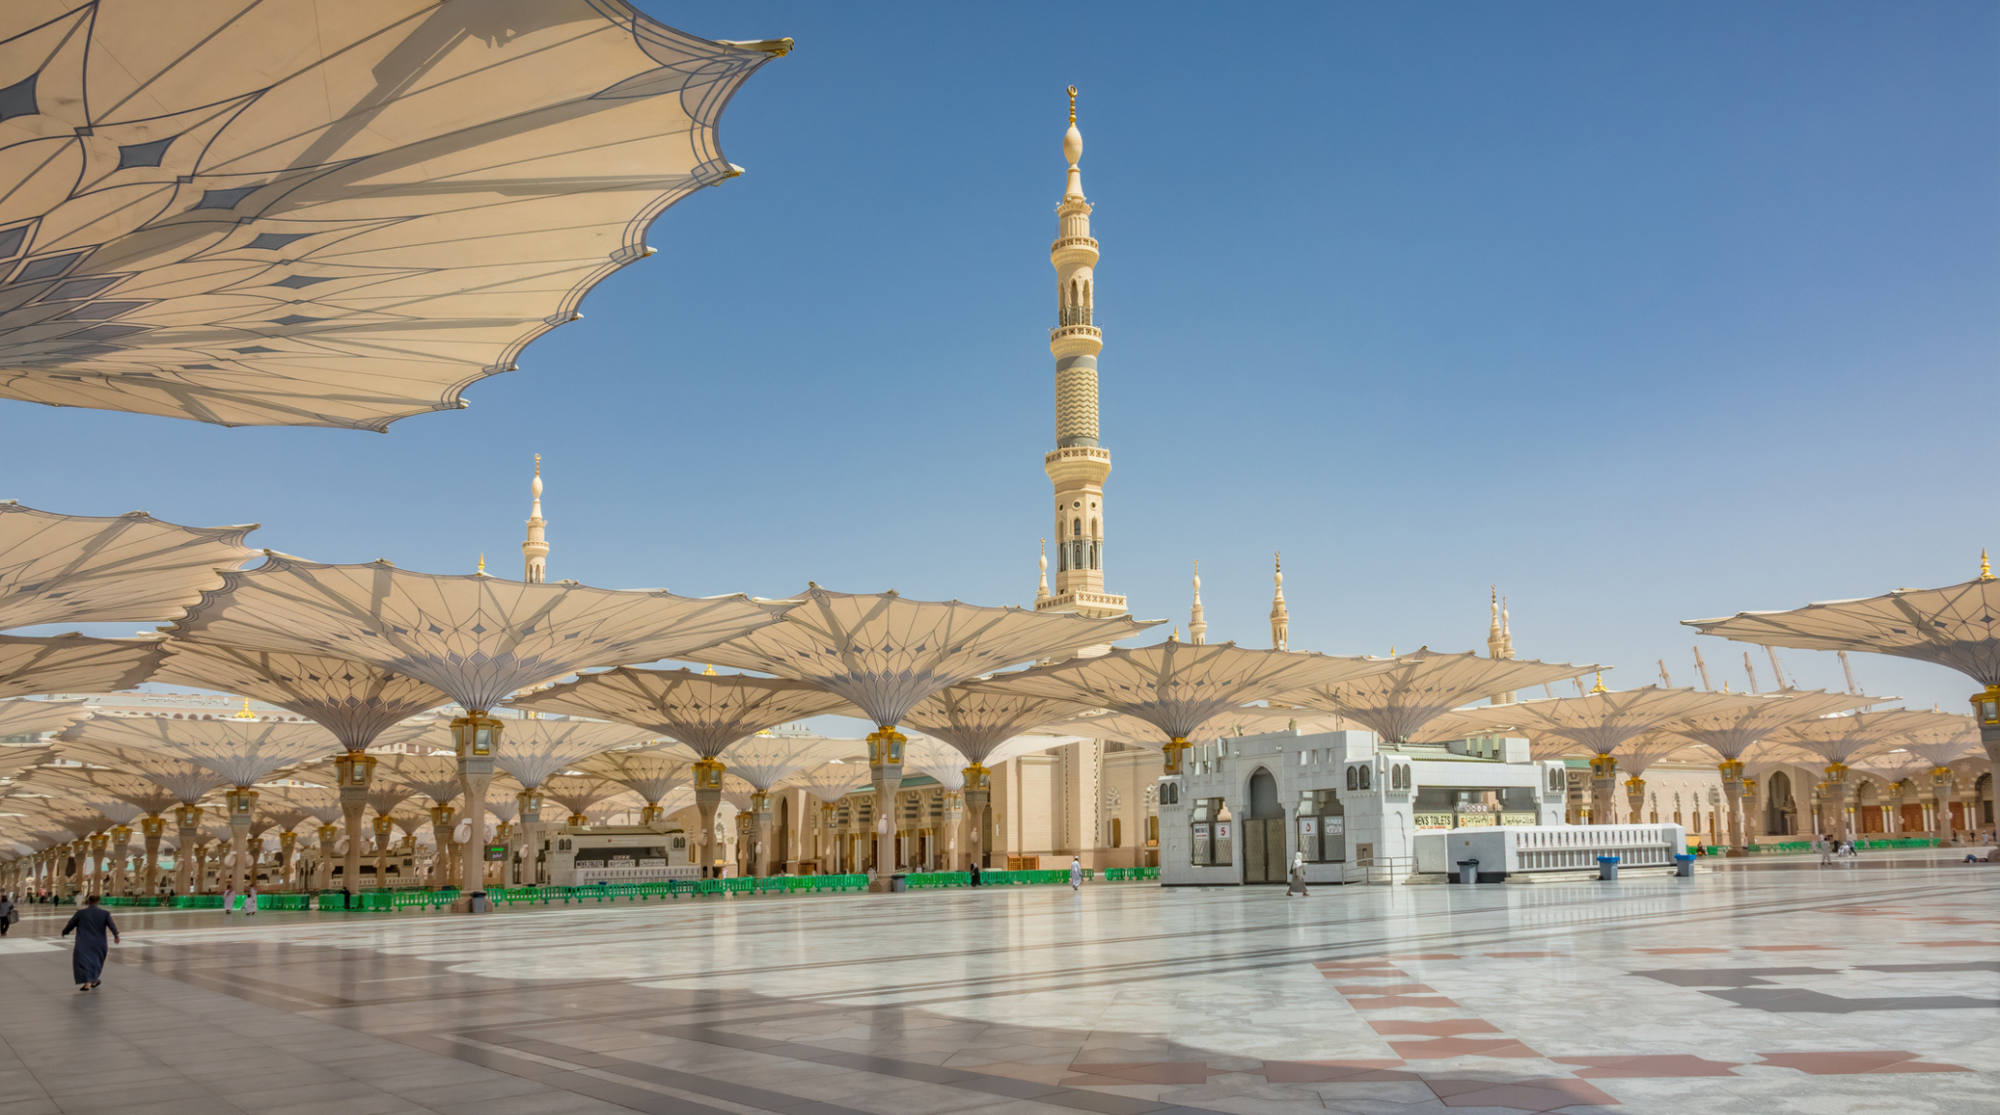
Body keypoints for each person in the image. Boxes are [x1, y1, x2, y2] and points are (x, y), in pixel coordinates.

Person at [60, 894, 120, 992]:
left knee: (83, 962)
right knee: (96, 961)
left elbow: (71, 924)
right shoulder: (105, 913)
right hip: (99, 943)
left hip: (83, 942)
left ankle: (87, 984)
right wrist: (116, 936)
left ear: (88, 901)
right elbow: (112, 926)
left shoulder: (81, 913)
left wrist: (65, 931)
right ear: (98, 902)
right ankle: (93, 980)